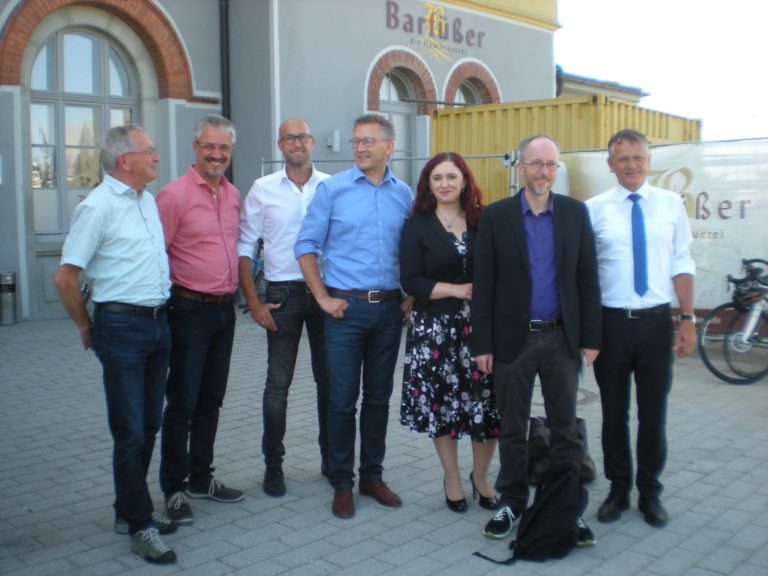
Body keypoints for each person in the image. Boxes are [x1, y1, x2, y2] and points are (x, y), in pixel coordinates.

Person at [54, 125, 177, 564]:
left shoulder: (145, 201)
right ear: (125, 160)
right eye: (150, 151)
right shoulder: (98, 207)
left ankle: (130, 510)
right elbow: (65, 277)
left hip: (157, 325)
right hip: (121, 329)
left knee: (147, 426)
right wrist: (87, 326)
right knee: (129, 432)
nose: (157, 158)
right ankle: (140, 524)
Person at [472, 135, 601, 544]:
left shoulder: (576, 215)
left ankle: (565, 506)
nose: (544, 171)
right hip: (514, 341)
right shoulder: (496, 217)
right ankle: (512, 500)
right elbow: (485, 285)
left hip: (562, 340)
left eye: (551, 164)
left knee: (565, 430)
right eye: (536, 163)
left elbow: (587, 279)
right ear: (520, 168)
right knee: (512, 428)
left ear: (556, 169)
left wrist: (591, 338)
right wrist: (482, 345)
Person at [294, 114, 413, 519]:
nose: (360, 148)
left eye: (368, 141)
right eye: (355, 141)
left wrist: (411, 293)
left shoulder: (405, 195)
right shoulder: (333, 190)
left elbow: (414, 249)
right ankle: (342, 481)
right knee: (343, 401)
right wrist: (322, 298)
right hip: (345, 310)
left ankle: (372, 476)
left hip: (390, 311)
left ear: (389, 147)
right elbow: (305, 244)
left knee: (378, 398)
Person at [586, 129, 696, 528]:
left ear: (649, 161)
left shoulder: (670, 205)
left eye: (638, 157)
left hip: (655, 324)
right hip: (611, 326)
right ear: (610, 164)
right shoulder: (593, 209)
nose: (631, 164)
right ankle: (618, 489)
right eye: (623, 158)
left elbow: (682, 262)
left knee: (653, 414)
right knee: (614, 415)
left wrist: (688, 319)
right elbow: (585, 274)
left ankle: (650, 492)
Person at [155, 115, 244, 526]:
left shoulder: (232, 195)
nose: (216, 154)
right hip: (188, 310)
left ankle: (200, 477)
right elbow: (157, 258)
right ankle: (173, 488)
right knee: (183, 403)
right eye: (210, 146)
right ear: (195, 147)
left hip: (224, 312)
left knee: (212, 399)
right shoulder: (173, 196)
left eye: (223, 148)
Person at [399, 152, 500, 513]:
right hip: (435, 330)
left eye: (451, 177)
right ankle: (453, 478)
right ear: (428, 184)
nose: (444, 184)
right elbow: (410, 280)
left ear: (464, 181)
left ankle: (482, 476)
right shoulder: (417, 226)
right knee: (443, 407)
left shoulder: (483, 220)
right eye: (437, 177)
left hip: (481, 328)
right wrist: (458, 290)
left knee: (486, 405)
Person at [237, 118, 331, 497]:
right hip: (283, 294)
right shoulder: (262, 190)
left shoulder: (330, 186)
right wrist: (254, 302)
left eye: (303, 136)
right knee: (278, 385)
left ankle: (332, 457)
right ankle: (273, 466)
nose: (296, 143)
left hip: (324, 293)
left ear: (312, 141)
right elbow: (245, 247)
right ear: (280, 145)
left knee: (331, 383)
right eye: (289, 137)